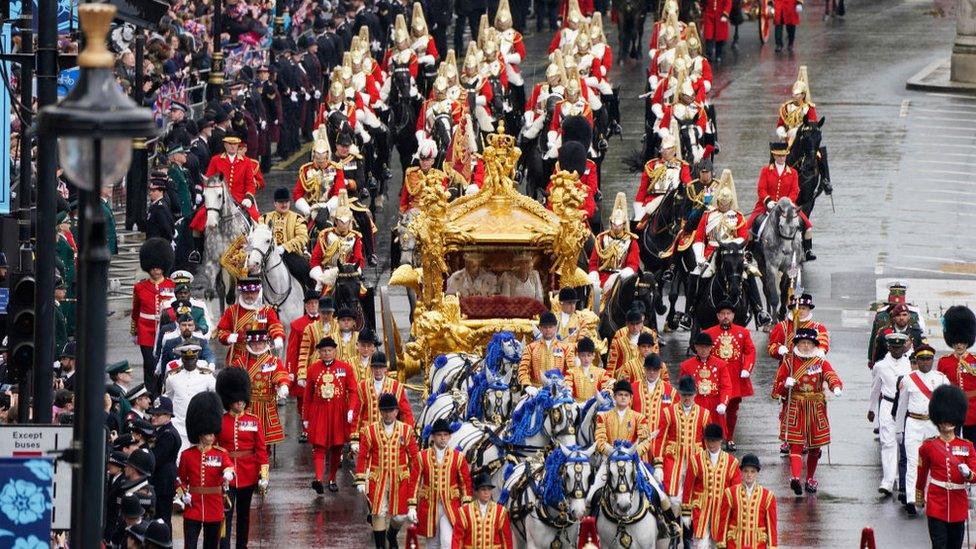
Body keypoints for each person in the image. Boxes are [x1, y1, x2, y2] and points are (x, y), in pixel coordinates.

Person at [772, 327, 842, 495]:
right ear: (797, 343)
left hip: (816, 407)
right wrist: (784, 385)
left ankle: (810, 478)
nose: (805, 346)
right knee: (795, 445)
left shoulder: (820, 361)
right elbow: (775, 390)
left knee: (815, 447)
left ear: (814, 344)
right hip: (796, 405)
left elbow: (830, 375)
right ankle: (795, 477)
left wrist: (836, 386)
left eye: (808, 343)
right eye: (802, 342)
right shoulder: (788, 361)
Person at [355, 393, 420, 549]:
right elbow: (363, 456)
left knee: (400, 516)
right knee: (378, 512)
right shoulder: (370, 431)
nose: (388, 414)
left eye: (391, 410)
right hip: (378, 477)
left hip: (400, 477)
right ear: (380, 412)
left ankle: (391, 533)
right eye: (384, 410)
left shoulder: (407, 430)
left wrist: (418, 479)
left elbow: (415, 458)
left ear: (396, 412)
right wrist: (360, 478)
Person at [917, 385, 976, 549]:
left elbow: (975, 473)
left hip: (958, 503)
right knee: (939, 545)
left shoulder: (967, 446)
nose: (947, 423)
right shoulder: (928, 446)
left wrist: (968, 474)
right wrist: (919, 496)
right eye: (943, 419)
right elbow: (922, 474)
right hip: (936, 503)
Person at [216, 367, 269, 549]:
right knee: (226, 513)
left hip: (248, 473)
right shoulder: (221, 421)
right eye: (236, 402)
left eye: (242, 401)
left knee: (245, 515)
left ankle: (242, 545)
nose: (240, 405)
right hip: (227, 475)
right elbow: (215, 448)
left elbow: (261, 450)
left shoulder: (254, 421)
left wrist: (264, 475)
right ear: (229, 401)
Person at [895, 344, 949, 516]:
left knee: (933, 462)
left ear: (933, 360)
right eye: (922, 359)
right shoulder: (908, 379)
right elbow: (901, 408)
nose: (926, 362)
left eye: (928, 359)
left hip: (933, 425)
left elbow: (948, 404)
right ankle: (911, 499)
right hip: (914, 423)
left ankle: (927, 497)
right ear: (916, 361)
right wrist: (899, 430)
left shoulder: (941, 379)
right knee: (912, 462)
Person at [177, 392, 234, 549]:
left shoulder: (220, 453)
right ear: (200, 434)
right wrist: (183, 496)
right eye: (208, 434)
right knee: (190, 545)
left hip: (214, 506)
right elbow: (180, 480)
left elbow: (229, 465)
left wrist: (228, 472)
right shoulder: (187, 455)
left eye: (213, 433)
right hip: (193, 506)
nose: (212, 436)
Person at [408, 418, 473, 549]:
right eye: (439, 435)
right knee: (432, 543)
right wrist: (411, 507)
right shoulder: (422, 456)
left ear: (449, 437)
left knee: (447, 542)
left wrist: (466, 505)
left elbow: (465, 482)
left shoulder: (458, 457)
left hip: (450, 506)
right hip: (429, 506)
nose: (443, 438)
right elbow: (414, 482)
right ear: (433, 436)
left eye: (445, 435)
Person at [304, 337, 357, 493]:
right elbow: (307, 396)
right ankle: (319, 479)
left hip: (338, 411)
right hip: (319, 410)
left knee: (336, 446)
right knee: (319, 445)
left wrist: (351, 409)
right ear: (319, 353)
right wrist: (305, 418)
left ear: (335, 351)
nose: (326, 353)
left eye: (329, 351)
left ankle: (332, 479)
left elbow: (353, 391)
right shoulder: (312, 369)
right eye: (323, 351)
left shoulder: (346, 368)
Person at [746, 142, 815, 261]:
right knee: (749, 226)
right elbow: (761, 189)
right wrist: (768, 201)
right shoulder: (766, 171)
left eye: (783, 156)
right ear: (774, 156)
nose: (781, 158)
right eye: (779, 156)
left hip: (787, 206)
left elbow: (795, 190)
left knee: (808, 226)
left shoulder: (793, 172)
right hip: (766, 206)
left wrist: (787, 203)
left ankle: (807, 250)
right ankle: (749, 251)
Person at [703, 301, 756, 450]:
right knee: (715, 410)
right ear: (718, 316)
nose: (726, 317)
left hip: (734, 378)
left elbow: (750, 351)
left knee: (732, 410)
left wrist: (747, 368)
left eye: (728, 314)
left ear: (733, 315)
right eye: (722, 314)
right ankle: (717, 438)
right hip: (715, 378)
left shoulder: (743, 332)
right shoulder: (708, 333)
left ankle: (730, 437)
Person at [868, 332, 912, 498]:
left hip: (904, 406)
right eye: (894, 347)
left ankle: (902, 479)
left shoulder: (909, 365)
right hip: (887, 404)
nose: (897, 350)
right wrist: (872, 408)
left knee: (904, 444)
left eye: (899, 347)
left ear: (903, 347)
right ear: (889, 347)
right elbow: (875, 388)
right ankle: (887, 481)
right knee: (888, 443)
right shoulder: (880, 366)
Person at [682, 423, 740, 548]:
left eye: (714, 441)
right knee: (701, 545)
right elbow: (688, 486)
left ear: (721, 441)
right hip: (701, 509)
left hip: (722, 510)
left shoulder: (732, 462)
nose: (711, 444)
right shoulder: (696, 459)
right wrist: (686, 511)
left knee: (718, 544)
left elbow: (736, 491)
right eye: (708, 440)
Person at [230, 326, 290, 446]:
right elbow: (231, 379)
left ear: (266, 343)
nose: (257, 347)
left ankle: (265, 463)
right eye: (254, 343)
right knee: (247, 439)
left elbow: (280, 374)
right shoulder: (241, 362)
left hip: (266, 407)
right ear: (249, 344)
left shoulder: (273, 361)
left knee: (265, 442)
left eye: (261, 343)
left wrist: (283, 385)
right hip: (247, 407)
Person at [131, 238, 176, 395]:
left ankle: (163, 394)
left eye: (159, 268)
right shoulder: (140, 287)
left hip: (166, 330)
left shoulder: (172, 286)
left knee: (164, 363)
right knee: (149, 365)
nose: (156, 271)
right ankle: (151, 395)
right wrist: (134, 331)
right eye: (153, 268)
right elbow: (135, 311)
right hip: (147, 330)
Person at [215, 277, 285, 365]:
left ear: (258, 292)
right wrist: (228, 337)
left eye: (253, 292)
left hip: (262, 355)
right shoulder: (232, 311)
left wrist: (278, 337)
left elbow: (275, 325)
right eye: (246, 293)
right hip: (238, 357)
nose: (250, 295)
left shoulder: (267, 310)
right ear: (241, 293)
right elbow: (222, 331)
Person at [662, 376, 712, 497]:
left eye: (690, 395)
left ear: (695, 394)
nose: (687, 398)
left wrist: (710, 460)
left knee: (696, 494)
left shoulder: (704, 413)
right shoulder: (668, 412)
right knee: (672, 495)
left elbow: (709, 440)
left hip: (695, 457)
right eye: (684, 395)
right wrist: (659, 462)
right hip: (674, 457)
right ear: (679, 394)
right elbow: (661, 438)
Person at [162, 344, 217, 451]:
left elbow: (216, 398)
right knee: (178, 458)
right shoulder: (172, 377)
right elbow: (168, 397)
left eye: (192, 359)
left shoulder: (207, 376)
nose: (190, 362)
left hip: (200, 424)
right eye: (186, 359)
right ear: (182, 359)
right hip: (178, 424)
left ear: (197, 358)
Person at [717, 454, 778, 549]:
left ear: (757, 473)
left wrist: (772, 546)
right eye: (746, 471)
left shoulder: (768, 496)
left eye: (752, 471)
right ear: (741, 472)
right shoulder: (730, 493)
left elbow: (771, 526)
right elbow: (724, 521)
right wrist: (721, 543)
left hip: (758, 544)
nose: (749, 475)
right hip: (734, 543)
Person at [350, 352, 415, 441]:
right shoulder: (362, 386)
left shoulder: (396, 386)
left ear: (385, 368)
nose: (378, 370)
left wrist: (407, 433)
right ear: (371, 368)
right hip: (367, 434)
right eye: (375, 367)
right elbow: (358, 413)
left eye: (381, 367)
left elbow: (405, 413)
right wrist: (355, 436)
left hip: (389, 434)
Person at [258, 187, 313, 290]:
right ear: (275, 203)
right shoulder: (264, 218)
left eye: (286, 201)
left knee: (305, 269)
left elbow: (302, 237)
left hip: (290, 254)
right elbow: (260, 235)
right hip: (268, 255)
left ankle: (309, 297)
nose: (284, 204)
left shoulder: (297, 218)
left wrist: (284, 247)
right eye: (281, 202)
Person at [309, 195, 366, 291]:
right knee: (318, 292)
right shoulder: (325, 235)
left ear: (350, 222)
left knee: (361, 292)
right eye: (341, 221)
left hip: (349, 273)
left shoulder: (355, 237)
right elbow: (315, 259)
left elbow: (358, 258)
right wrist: (320, 277)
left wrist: (352, 270)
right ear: (335, 221)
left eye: (346, 221)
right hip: (328, 274)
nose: (344, 224)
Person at [937, 306, 976, 445]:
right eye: (956, 341)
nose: (959, 345)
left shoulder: (974, 361)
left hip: (972, 410)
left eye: (962, 341)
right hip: (952, 408)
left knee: (972, 445)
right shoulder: (944, 361)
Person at [588, 193, 640, 293]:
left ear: (624, 224)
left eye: (619, 225)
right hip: (601, 278)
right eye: (614, 224)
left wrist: (617, 276)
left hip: (621, 279)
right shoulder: (601, 239)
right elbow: (593, 263)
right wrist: (594, 275)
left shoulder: (632, 242)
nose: (616, 227)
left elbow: (633, 265)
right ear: (610, 223)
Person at [634, 134, 691, 222]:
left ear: (674, 149)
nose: (665, 151)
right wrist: (639, 205)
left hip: (674, 201)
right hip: (652, 200)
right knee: (638, 222)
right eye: (664, 149)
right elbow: (643, 188)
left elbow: (687, 182)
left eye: (668, 149)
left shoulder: (683, 166)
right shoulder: (651, 165)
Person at [202, 133, 260, 220]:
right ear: (225, 145)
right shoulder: (215, 160)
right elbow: (208, 181)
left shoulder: (246, 162)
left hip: (240, 200)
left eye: (235, 144)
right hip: (218, 199)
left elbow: (250, 183)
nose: (233, 146)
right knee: (199, 220)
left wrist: (248, 198)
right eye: (230, 144)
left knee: (257, 220)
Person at [633, 354, 677, 464]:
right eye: (649, 369)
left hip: (662, 441)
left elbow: (675, 418)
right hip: (638, 440)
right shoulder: (633, 388)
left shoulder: (670, 391)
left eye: (655, 370)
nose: (652, 372)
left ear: (660, 370)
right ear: (644, 369)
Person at [451, 474, 514, 549]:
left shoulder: (500, 512)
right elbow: (458, 539)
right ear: (477, 491)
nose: (486, 492)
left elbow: (506, 540)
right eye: (483, 489)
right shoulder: (464, 512)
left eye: (489, 489)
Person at [594, 380, 652, 461]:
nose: (623, 397)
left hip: (631, 459)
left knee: (649, 473)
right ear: (614, 397)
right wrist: (612, 452)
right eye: (620, 394)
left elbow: (645, 441)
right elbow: (600, 439)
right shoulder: (603, 417)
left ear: (631, 398)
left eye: (626, 395)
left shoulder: (639, 418)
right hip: (609, 459)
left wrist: (632, 453)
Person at [148, 396, 180, 526]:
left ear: (168, 415)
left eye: (158, 414)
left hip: (163, 483)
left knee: (163, 520)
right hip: (160, 482)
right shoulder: (160, 431)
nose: (154, 417)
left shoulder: (168, 434)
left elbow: (155, 459)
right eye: (153, 414)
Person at [517, 312, 570, 391]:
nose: (548, 330)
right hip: (536, 390)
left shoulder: (566, 348)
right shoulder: (530, 348)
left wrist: (566, 385)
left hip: (559, 391)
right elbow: (523, 369)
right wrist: (527, 386)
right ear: (540, 328)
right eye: (545, 327)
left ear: (556, 328)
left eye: (550, 327)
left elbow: (571, 371)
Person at [607, 308, 658, 378]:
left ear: (642, 323)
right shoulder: (618, 342)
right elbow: (611, 365)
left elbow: (656, 359)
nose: (635, 327)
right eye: (632, 324)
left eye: (637, 324)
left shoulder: (651, 336)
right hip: (624, 379)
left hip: (646, 378)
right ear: (627, 324)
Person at [564, 337, 613, 402]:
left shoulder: (601, 373)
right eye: (583, 355)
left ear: (593, 356)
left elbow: (606, 389)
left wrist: (606, 392)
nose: (586, 359)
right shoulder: (571, 373)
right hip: (577, 407)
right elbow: (568, 387)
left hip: (595, 406)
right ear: (578, 355)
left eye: (589, 355)